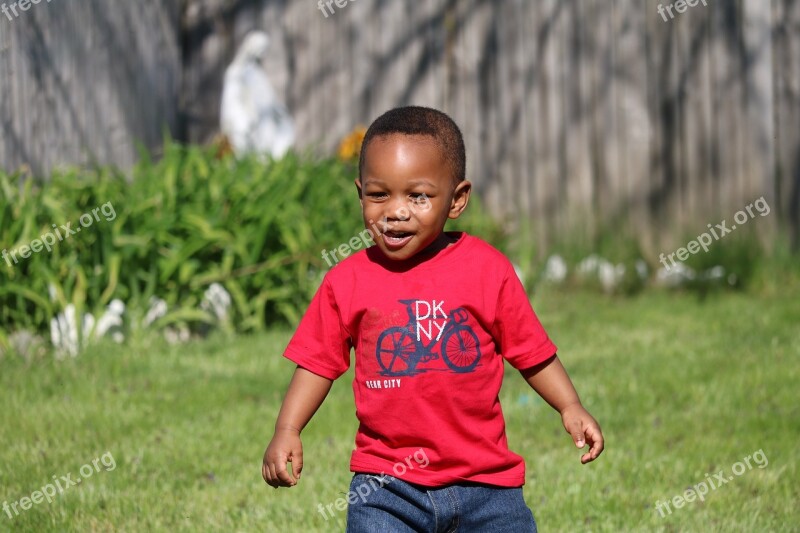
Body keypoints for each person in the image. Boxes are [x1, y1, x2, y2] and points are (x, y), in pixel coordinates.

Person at [262, 106, 604, 532]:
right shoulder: (346, 281)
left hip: (487, 486)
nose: (396, 211)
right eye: (378, 194)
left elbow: (531, 350)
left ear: (456, 199)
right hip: (386, 488)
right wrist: (287, 428)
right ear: (360, 194)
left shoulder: (487, 270)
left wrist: (569, 406)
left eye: (418, 196)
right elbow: (317, 362)